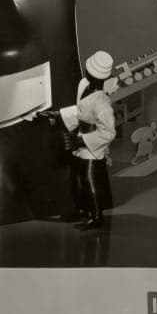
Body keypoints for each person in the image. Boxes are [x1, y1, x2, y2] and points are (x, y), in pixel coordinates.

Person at [57, 51, 117, 229]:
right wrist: (59, 116)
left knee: (90, 180)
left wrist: (82, 142)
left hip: (91, 145)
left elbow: (108, 132)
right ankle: (84, 210)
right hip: (81, 138)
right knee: (78, 178)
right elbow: (80, 111)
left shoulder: (102, 102)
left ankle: (96, 216)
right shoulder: (85, 86)